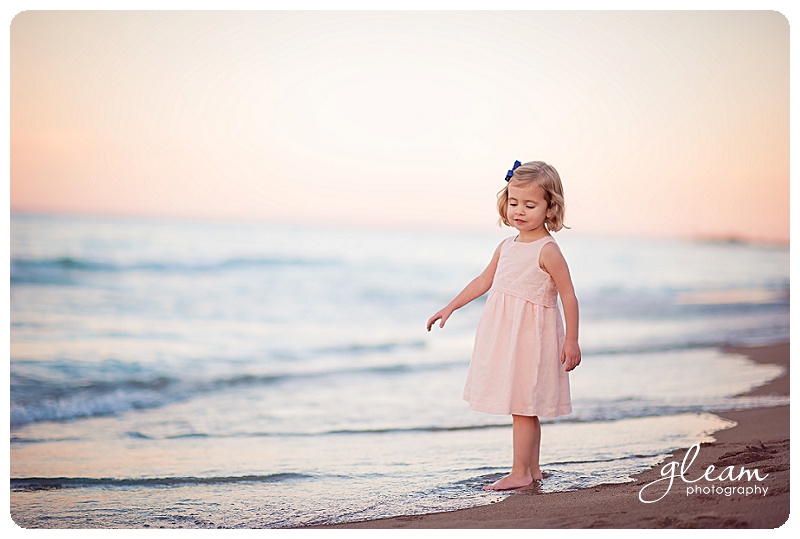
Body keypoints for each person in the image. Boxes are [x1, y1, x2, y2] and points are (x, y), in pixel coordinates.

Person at [427, 160, 581, 491]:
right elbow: (485, 280)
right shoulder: (507, 246)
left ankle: (519, 473)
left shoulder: (548, 250)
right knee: (527, 406)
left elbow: (569, 296)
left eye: (530, 204)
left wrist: (572, 341)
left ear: (550, 207)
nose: (519, 211)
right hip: (507, 336)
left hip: (531, 338)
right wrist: (450, 306)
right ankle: (533, 469)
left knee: (522, 407)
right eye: (513, 203)